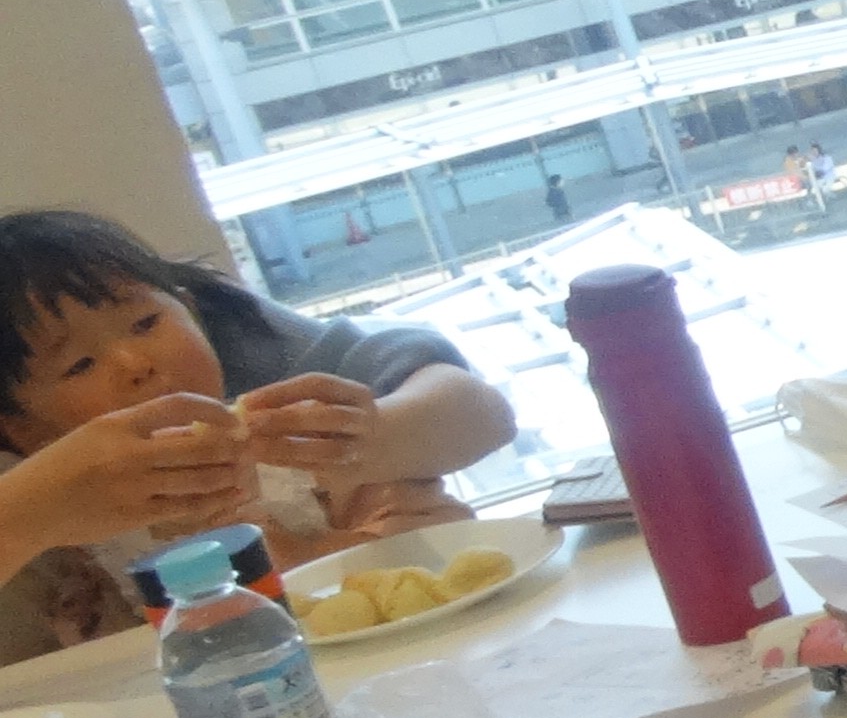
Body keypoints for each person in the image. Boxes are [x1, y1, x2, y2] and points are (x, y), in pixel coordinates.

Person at [0, 212, 518, 666]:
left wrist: (363, 450)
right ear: (21, 431)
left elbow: (475, 419)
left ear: (192, 312)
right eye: (80, 365)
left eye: (146, 322)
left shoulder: (284, 428)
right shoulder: (67, 536)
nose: (136, 364)